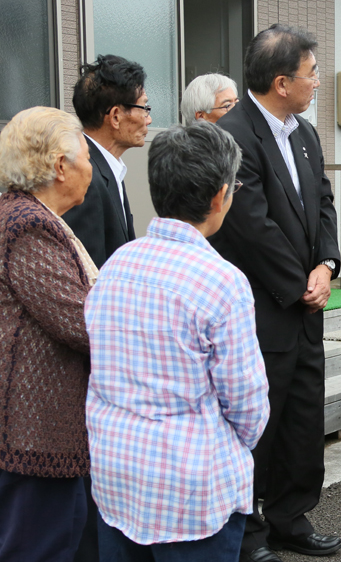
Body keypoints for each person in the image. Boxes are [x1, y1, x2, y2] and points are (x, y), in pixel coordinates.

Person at [85, 122, 270, 559]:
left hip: (116, 477)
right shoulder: (221, 281)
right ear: (218, 196)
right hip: (190, 492)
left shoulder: (115, 265)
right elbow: (247, 406)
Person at [208, 24, 341, 561]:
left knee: (303, 421)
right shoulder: (234, 134)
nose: (317, 83)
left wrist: (328, 265)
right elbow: (249, 225)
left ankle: (292, 517)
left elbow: (325, 204)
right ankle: (249, 531)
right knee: (257, 426)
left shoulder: (304, 133)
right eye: (311, 74)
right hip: (263, 309)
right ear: (282, 82)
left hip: (307, 305)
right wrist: (299, 284)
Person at [0, 106, 97, 561]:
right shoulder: (29, 226)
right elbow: (81, 322)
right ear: (61, 166)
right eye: (86, 156)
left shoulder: (28, 217)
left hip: (38, 427)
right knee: (41, 547)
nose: (91, 167)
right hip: (35, 429)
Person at [64, 54, 149, 268]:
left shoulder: (107, 167)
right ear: (116, 117)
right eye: (144, 108)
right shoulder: (85, 179)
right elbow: (88, 275)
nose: (148, 119)